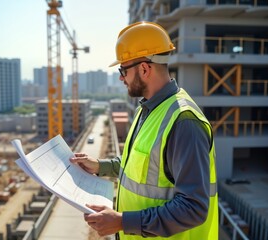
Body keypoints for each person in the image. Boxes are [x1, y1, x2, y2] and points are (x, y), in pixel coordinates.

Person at [70, 21, 218, 239]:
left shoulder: (184, 123)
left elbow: (193, 208)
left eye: (123, 70)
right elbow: (143, 166)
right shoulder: (148, 109)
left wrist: (122, 222)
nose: (121, 78)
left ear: (144, 68)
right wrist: (100, 166)